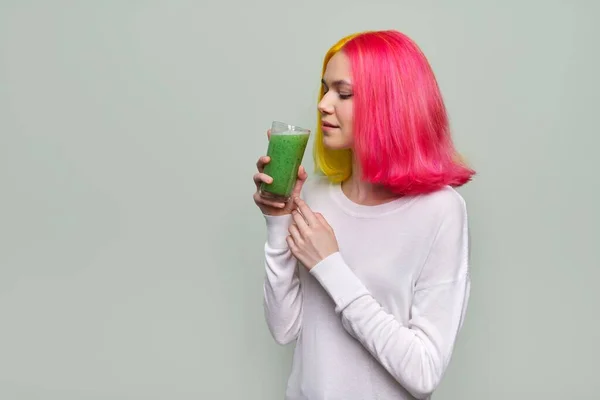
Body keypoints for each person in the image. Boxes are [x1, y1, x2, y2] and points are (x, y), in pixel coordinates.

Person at [252, 30, 475, 400]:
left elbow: (423, 372)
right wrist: (278, 220)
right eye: (324, 89)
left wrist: (330, 265)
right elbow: (284, 329)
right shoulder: (318, 198)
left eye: (343, 93)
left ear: (389, 103)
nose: (323, 104)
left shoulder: (441, 210)